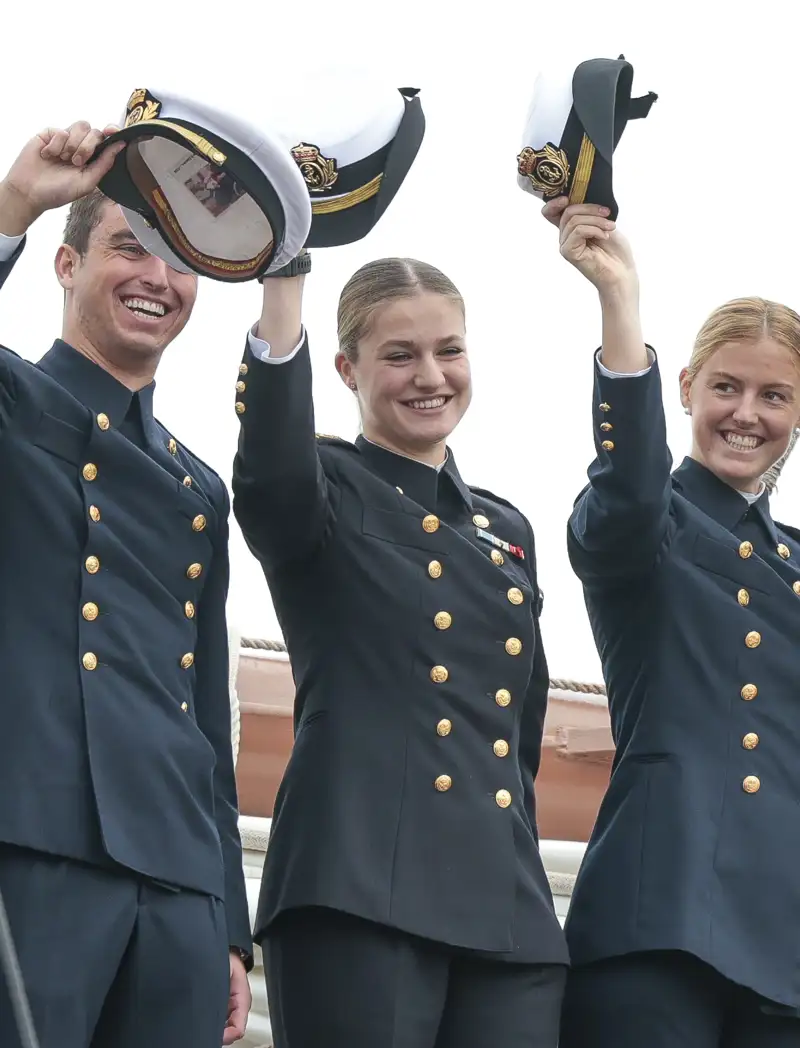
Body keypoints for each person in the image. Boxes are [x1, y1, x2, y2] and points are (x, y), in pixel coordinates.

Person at [229, 252, 570, 1047]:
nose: (431, 375)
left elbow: (517, 733)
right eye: (399, 354)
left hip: (504, 902)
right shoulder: (320, 485)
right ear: (346, 368)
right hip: (359, 885)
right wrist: (283, 282)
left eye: (449, 350)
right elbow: (271, 457)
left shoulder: (503, 529)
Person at [0, 121, 252, 1048]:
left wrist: (227, 922)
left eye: (180, 260)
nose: (157, 277)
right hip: (37, 844)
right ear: (64, 266)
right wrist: (14, 204)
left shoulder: (198, 483)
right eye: (127, 246)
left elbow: (201, 712)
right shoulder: (14, 402)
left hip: (177, 880)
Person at [541, 196, 800, 1047]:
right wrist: (619, 301)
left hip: (785, 938)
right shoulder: (646, 520)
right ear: (686, 387)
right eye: (725, 386)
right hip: (658, 920)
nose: (746, 414)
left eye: (775, 396)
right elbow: (628, 488)